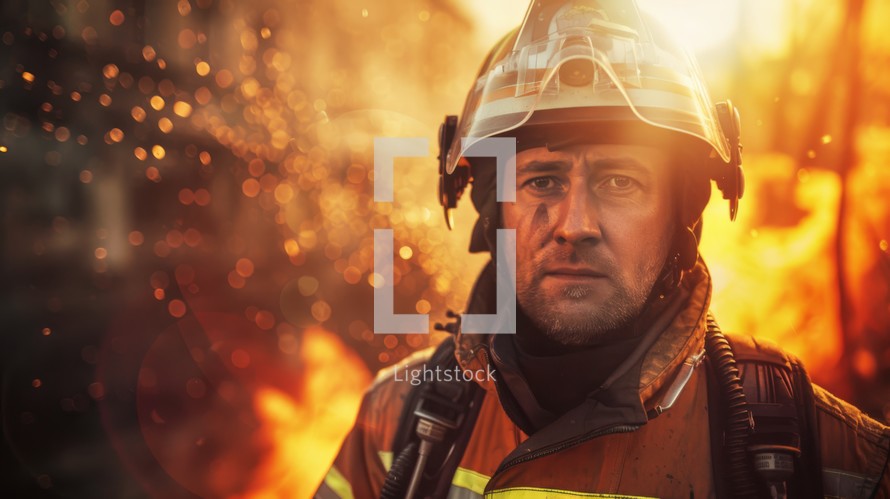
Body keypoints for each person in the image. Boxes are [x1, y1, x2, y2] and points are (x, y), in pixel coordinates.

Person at [316, 0, 890, 497]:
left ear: (681, 218)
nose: (575, 225)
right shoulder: (395, 424)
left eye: (621, 181)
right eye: (542, 180)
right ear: (493, 214)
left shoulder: (826, 454)